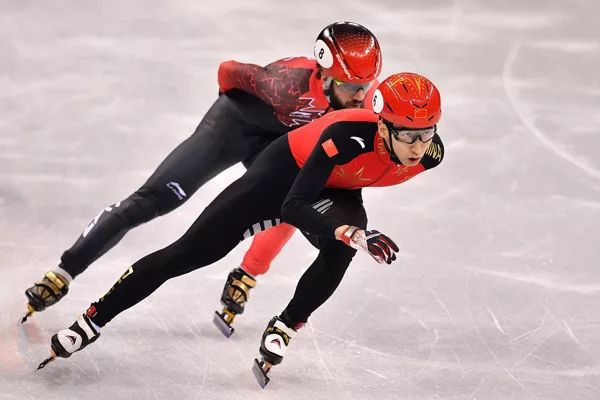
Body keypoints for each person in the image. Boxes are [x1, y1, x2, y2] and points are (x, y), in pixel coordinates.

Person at [39, 72, 445, 387]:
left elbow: (345, 199)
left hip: (338, 190)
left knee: (341, 250)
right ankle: (93, 319)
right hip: (283, 175)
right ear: (383, 126)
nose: (417, 146)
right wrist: (352, 231)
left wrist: (350, 233)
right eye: (408, 135)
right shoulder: (344, 135)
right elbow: (294, 205)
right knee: (187, 254)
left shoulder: (430, 155)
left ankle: (286, 324)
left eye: (426, 134)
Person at [22, 22, 383, 330]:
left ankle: (247, 273)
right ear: (323, 76)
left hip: (275, 142)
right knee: (158, 198)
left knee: (297, 193)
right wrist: (230, 115)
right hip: (234, 126)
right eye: (352, 88)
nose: (361, 97)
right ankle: (65, 270)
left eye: (367, 87)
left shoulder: (362, 105)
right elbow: (228, 71)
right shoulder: (283, 84)